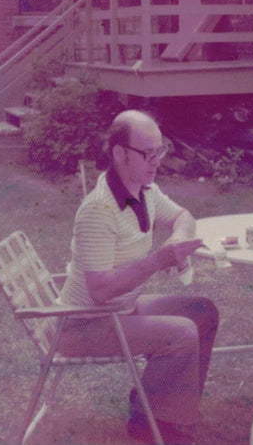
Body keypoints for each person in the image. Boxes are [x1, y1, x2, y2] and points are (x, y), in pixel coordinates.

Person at [58, 110, 219, 445]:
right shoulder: (98, 210)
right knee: (182, 332)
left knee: (203, 312)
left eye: (160, 151)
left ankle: (162, 409)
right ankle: (154, 424)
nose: (157, 162)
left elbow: (183, 216)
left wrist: (177, 239)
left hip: (120, 311)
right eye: (148, 154)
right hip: (82, 324)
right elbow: (100, 291)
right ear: (119, 154)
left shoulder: (145, 191)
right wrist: (158, 260)